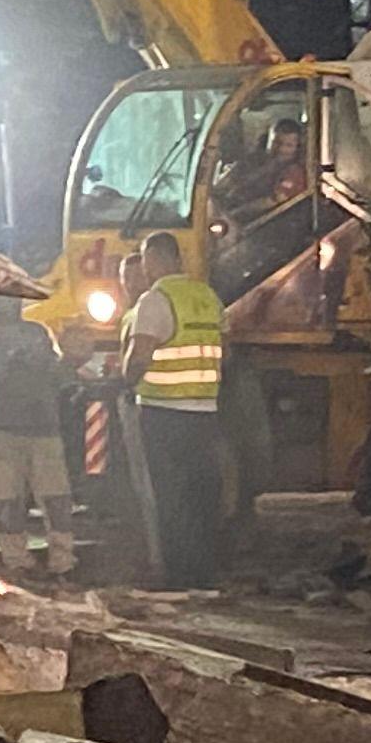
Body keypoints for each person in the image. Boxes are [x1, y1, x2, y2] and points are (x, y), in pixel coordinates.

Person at [120, 231, 227, 582]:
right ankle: (205, 573)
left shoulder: (155, 300)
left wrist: (124, 382)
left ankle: (178, 574)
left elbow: (139, 357)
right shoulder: (207, 296)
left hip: (163, 411)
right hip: (206, 410)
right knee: (203, 493)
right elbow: (225, 348)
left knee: (170, 496)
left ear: (153, 259)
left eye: (144, 259)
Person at [0, 301, 80, 579]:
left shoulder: (37, 332)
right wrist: (5, 367)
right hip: (3, 431)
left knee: (56, 499)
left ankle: (62, 559)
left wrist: (70, 360)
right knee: (7, 500)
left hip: (44, 429)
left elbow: (57, 375)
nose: (11, 304)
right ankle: (16, 560)